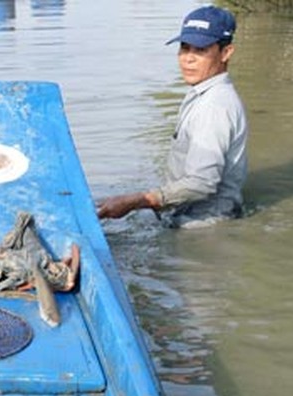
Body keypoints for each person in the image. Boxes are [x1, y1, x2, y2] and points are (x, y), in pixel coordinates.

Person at [96, 5, 248, 228]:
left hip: (202, 228)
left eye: (200, 50)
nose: (188, 59)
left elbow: (202, 183)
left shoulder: (214, 106)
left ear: (226, 53)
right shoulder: (202, 92)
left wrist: (137, 201)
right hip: (185, 215)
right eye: (184, 48)